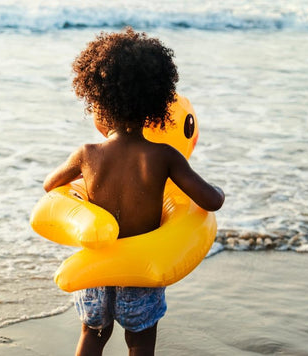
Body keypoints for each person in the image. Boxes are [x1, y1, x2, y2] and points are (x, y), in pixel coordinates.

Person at [43, 28, 224, 356]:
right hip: (141, 269)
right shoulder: (165, 157)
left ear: (97, 102)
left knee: (93, 335)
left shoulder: (86, 153)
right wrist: (220, 191)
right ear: (156, 107)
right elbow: (211, 201)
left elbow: (50, 185)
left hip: (95, 267)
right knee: (139, 341)